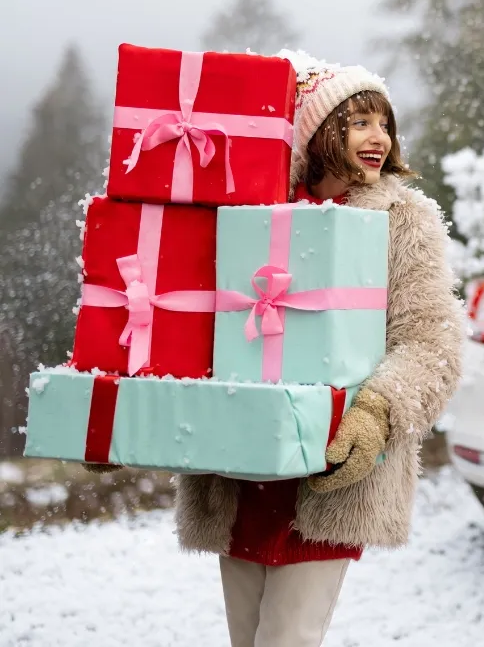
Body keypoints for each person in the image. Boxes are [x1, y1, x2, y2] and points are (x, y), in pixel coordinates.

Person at [175, 55, 467, 647]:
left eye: (383, 122)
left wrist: (378, 411)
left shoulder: (402, 219)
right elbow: (190, 317)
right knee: (247, 637)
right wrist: (122, 416)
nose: (377, 137)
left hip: (331, 468)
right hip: (238, 464)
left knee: (287, 639)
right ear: (316, 131)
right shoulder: (252, 207)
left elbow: (432, 341)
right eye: (358, 121)